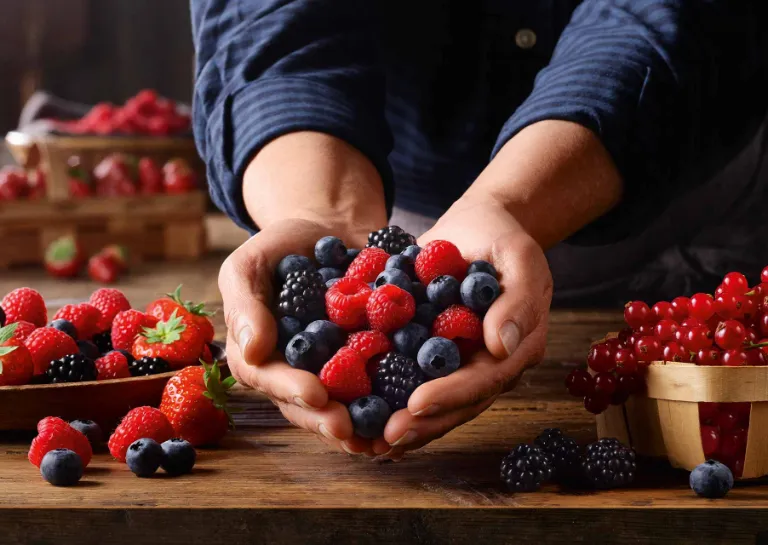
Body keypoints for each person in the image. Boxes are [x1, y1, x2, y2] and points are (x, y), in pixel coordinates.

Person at [190, 0, 768, 460]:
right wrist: (322, 214)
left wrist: (510, 202)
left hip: (694, 187)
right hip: (412, 220)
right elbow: (269, 17)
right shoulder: (392, 280)